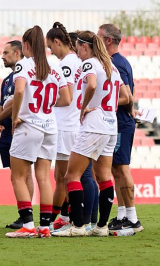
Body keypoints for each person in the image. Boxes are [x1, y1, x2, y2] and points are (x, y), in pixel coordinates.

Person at [52, 31, 134, 238]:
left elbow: (92, 84)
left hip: (93, 126)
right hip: (110, 125)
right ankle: (102, 227)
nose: (76, 50)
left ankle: (78, 226)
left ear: (85, 46)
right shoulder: (111, 66)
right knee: (104, 176)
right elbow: (126, 96)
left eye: (78, 47)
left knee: (72, 175)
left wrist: (85, 107)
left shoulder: (89, 63)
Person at [6, 26, 70, 239]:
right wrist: (47, 107)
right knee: (44, 177)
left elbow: (20, 90)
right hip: (50, 127)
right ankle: (44, 226)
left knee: (18, 177)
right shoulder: (54, 66)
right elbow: (67, 99)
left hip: (29, 126)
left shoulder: (24, 64)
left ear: (25, 45)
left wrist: (15, 116)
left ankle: (27, 225)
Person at [99, 23, 142, 232]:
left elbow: (126, 96)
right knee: (116, 169)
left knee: (122, 168)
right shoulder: (116, 61)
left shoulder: (116, 63)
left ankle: (133, 218)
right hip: (119, 121)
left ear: (108, 40)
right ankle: (123, 214)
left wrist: (101, 104)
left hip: (121, 123)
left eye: (99, 37)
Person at [44, 23, 83, 232]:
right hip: (74, 123)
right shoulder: (79, 61)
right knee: (68, 176)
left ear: (58, 42)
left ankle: (57, 219)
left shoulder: (66, 64)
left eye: (51, 47)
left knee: (62, 178)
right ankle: (65, 217)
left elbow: (66, 98)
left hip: (66, 125)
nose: (51, 52)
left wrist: (47, 102)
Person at [0, 40, 33, 229]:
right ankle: (23, 215)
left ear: (18, 54)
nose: (2, 56)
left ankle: (26, 217)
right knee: (16, 175)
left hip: (21, 131)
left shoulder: (26, 77)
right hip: (7, 134)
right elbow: (2, 106)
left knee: (25, 174)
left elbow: (18, 102)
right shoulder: (7, 80)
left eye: (6, 53)